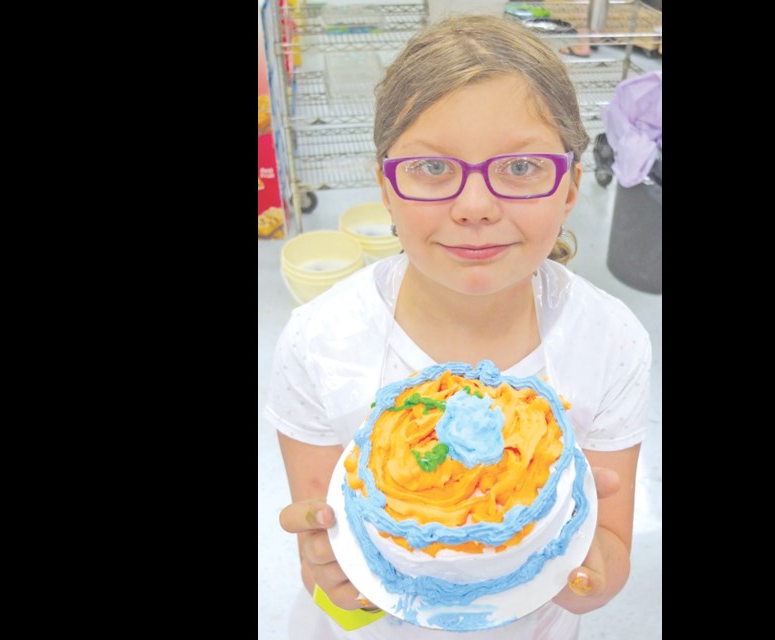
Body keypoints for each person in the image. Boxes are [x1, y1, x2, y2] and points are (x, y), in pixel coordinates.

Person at [264, 14, 651, 640]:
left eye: (521, 168)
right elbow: (327, 567)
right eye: (433, 169)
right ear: (386, 188)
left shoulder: (610, 342)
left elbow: (608, 551)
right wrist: (336, 582)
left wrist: (588, 572)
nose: (474, 207)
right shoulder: (319, 345)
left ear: (572, 184)